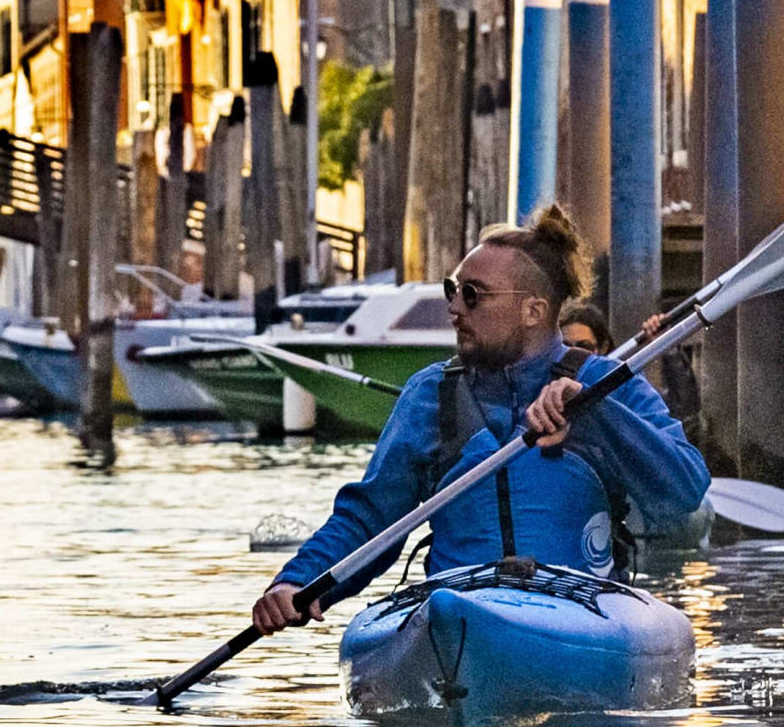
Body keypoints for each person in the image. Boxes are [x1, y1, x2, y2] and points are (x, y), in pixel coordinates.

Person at [248, 204, 705, 638]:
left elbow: (684, 491)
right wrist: (296, 581)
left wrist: (595, 411)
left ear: (534, 310)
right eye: (453, 290)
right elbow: (370, 519)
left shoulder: (606, 384)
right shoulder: (431, 394)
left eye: (473, 295)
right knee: (439, 604)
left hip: (582, 609)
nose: (454, 309)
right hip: (457, 607)